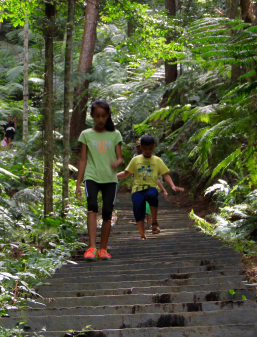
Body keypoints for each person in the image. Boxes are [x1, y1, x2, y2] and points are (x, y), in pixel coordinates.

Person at [75, 100, 124, 261]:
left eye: (103, 116)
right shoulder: (86, 134)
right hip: (92, 176)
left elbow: (119, 158)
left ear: (108, 115)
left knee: (108, 212)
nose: (101, 119)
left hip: (110, 178)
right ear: (92, 116)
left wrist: (115, 164)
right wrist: (78, 184)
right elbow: (82, 159)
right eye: (97, 116)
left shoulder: (115, 134)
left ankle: (103, 249)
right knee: (92, 206)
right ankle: (92, 248)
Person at [117, 135, 183, 240]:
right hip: (137, 189)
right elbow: (126, 173)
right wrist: (113, 177)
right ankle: (142, 235)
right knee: (138, 209)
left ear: (154, 147)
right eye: (145, 149)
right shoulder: (136, 160)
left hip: (151, 186)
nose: (148, 151)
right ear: (141, 147)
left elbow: (165, 174)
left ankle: (154, 221)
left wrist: (172, 186)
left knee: (152, 195)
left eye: (150, 149)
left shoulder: (157, 160)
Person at [130, 140, 167, 230]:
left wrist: (164, 189)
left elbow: (157, 177)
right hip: (139, 186)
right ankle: (143, 229)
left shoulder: (155, 160)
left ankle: (151, 224)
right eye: (138, 146)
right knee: (140, 206)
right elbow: (129, 172)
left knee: (150, 202)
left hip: (150, 185)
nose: (139, 148)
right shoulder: (135, 158)